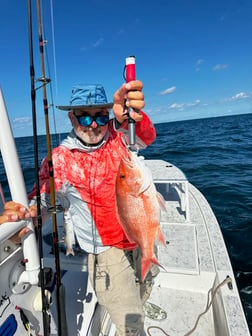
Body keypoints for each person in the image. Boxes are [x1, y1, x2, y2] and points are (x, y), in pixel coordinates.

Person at [0, 80, 157, 336]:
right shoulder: (60, 160)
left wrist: (133, 118)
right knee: (132, 324)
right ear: (72, 119)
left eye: (101, 117)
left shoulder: (120, 139)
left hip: (140, 237)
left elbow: (147, 137)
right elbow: (41, 200)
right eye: (85, 118)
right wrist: (22, 214)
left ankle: (138, 302)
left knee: (145, 286)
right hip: (108, 253)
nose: (93, 125)